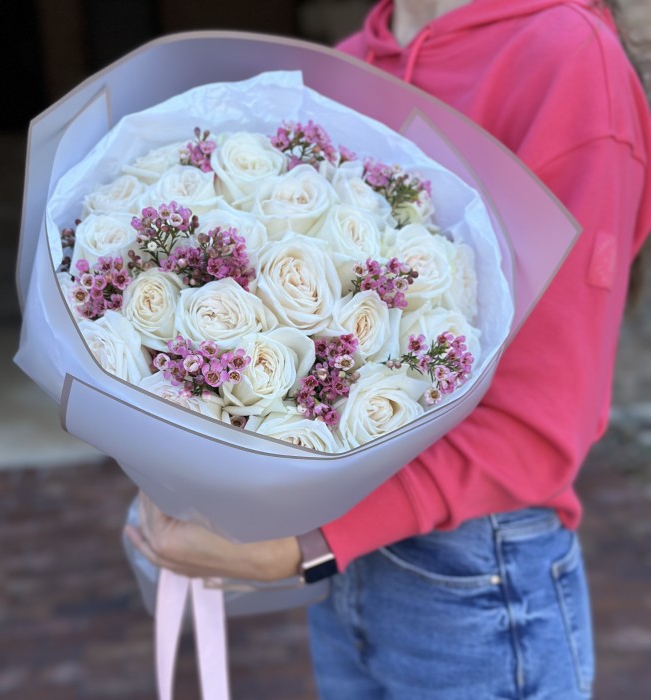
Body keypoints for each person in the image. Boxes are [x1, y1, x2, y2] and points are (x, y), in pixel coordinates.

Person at [125, 0, 651, 697]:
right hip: (345, 578)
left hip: (473, 577)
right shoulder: (347, 63)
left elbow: (544, 421)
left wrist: (307, 547)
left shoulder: (563, 55)